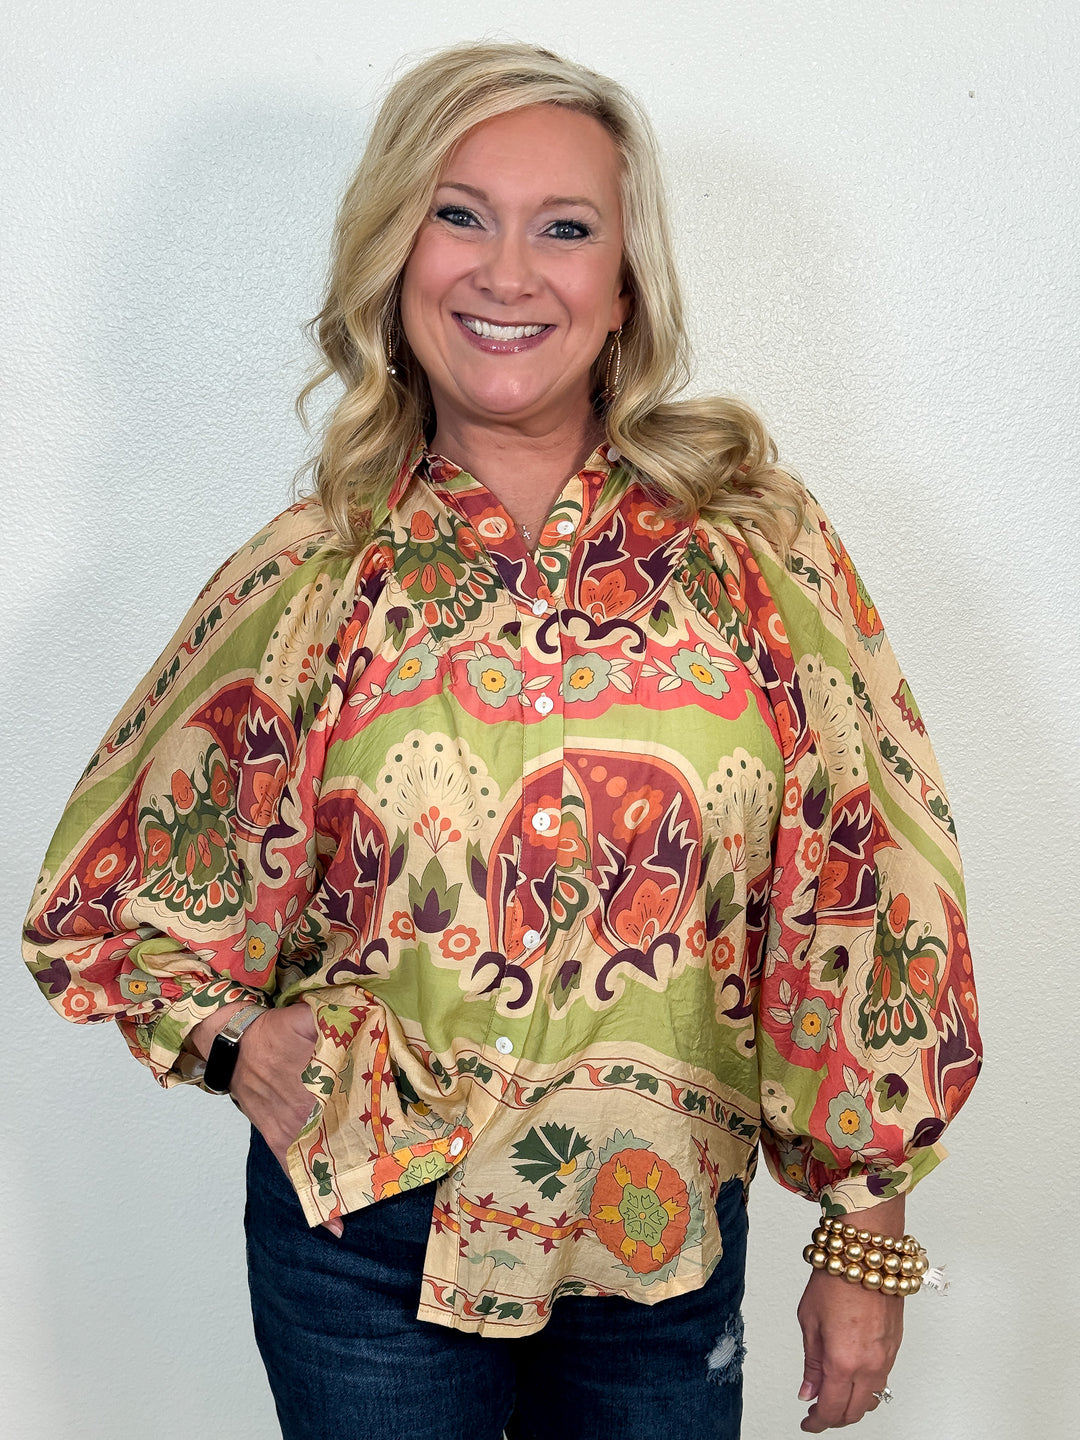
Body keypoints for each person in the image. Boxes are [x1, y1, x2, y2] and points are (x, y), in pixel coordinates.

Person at [23, 40, 981, 1440]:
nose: (508, 273)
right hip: (362, 1251)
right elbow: (113, 898)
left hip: (660, 1248)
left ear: (625, 280)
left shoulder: (753, 552)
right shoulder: (314, 569)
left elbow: (866, 880)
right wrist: (234, 1044)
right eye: (460, 213)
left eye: (566, 228)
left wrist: (864, 1233)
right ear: (394, 249)